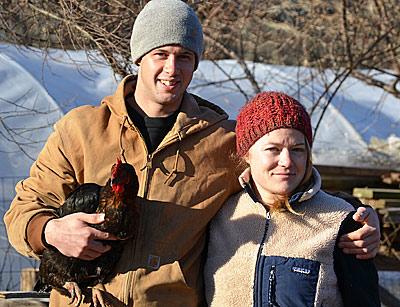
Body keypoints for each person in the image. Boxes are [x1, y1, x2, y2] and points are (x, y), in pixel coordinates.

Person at [4, 1, 379, 306]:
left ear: (196, 62)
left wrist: (356, 218)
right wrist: (51, 230)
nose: (172, 68)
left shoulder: (221, 140)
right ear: (139, 58)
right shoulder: (82, 129)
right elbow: (22, 212)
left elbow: (283, 178)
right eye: (161, 54)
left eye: (185, 56)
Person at [204, 91, 380, 306]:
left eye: (297, 149)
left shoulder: (341, 221)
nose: (287, 161)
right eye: (273, 149)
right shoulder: (220, 214)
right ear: (246, 154)